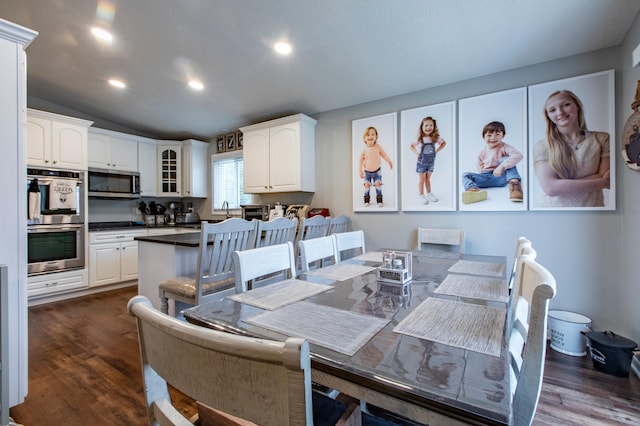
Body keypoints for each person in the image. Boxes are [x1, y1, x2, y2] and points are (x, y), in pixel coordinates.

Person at [533, 90, 610, 207]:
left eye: (566, 105)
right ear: (548, 116)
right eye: (552, 110)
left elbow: (606, 177)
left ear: (577, 106)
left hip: (592, 211)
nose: (560, 112)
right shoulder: (542, 146)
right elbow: (550, 189)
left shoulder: (602, 139)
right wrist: (600, 182)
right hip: (550, 211)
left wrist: (561, 186)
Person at [461, 121, 523, 204]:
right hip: (486, 178)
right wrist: (482, 171)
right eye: (489, 135)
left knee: (507, 159)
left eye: (497, 134)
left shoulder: (504, 147)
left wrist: (502, 167)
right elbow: (479, 166)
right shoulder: (482, 152)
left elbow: (518, 155)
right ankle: (473, 190)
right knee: (465, 175)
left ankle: (515, 186)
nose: (493, 138)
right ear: (483, 137)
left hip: (500, 177)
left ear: (503, 135)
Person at [409, 116, 446, 204]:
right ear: (422, 127)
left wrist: (437, 151)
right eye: (426, 125)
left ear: (434, 127)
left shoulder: (435, 138)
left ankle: (429, 193)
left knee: (428, 179)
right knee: (422, 180)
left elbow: (444, 143)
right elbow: (411, 146)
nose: (428, 127)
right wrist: (416, 152)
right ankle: (421, 195)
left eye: (430, 125)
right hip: (421, 162)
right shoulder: (419, 139)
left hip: (431, 162)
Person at [358, 126, 393, 207]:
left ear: (376, 136)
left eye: (373, 134)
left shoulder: (378, 147)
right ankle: (366, 200)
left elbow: (384, 155)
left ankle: (379, 200)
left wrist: (389, 161)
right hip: (367, 172)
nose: (370, 136)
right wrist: (360, 171)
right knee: (367, 185)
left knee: (378, 185)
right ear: (364, 138)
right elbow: (360, 161)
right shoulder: (364, 149)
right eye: (368, 135)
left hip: (377, 171)